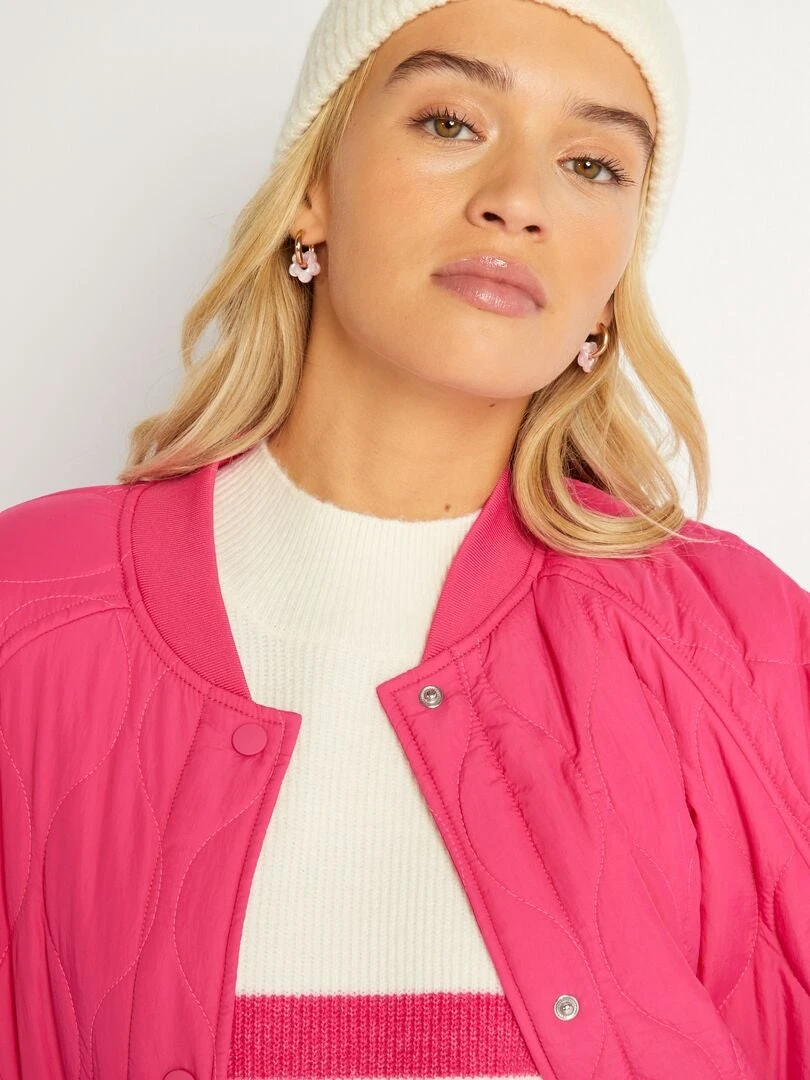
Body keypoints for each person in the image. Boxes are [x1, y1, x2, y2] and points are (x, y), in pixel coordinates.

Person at [1, 0, 808, 1077]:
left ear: (615, 281)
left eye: (592, 165)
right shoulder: (28, 612)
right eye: (450, 122)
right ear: (311, 191)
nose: (518, 201)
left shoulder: (744, 648)